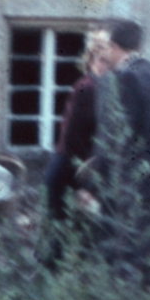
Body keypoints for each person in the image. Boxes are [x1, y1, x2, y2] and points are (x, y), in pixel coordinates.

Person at [97, 20, 150, 204]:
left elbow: (117, 135)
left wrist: (97, 183)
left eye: (106, 47)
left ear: (114, 47)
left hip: (132, 184)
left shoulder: (124, 78)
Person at [44, 27, 111, 220]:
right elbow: (73, 138)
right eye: (101, 57)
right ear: (93, 57)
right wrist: (83, 184)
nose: (107, 64)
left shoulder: (103, 87)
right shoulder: (87, 88)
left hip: (80, 171)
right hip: (68, 172)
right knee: (58, 238)